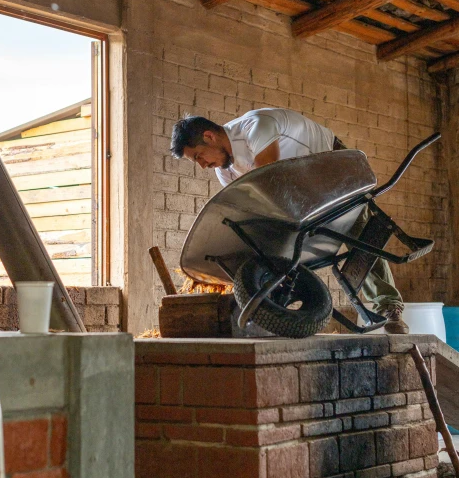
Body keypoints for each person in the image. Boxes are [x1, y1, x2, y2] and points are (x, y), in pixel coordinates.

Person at [170, 107, 408, 335]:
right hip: (295, 185)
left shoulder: (255, 126)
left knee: (358, 226)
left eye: (199, 156)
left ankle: (389, 306)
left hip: (328, 161)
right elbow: (251, 206)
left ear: (209, 136)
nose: (202, 166)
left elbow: (269, 179)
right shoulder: (224, 170)